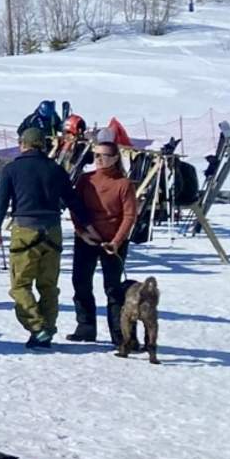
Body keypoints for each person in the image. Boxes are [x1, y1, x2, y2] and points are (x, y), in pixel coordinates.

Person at [0, 127, 89, 348]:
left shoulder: (11, 169)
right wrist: (87, 224)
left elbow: (1, 202)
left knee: (20, 285)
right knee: (48, 286)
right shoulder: (56, 169)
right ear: (43, 146)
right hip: (52, 231)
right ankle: (47, 331)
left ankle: (38, 328)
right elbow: (72, 200)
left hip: (25, 230)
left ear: (22, 144)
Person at [68, 137, 138, 343]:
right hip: (86, 239)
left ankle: (119, 334)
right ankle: (85, 327)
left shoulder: (123, 184)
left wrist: (117, 241)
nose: (98, 159)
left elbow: (129, 215)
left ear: (115, 158)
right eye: (96, 155)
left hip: (112, 242)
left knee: (113, 288)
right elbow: (76, 208)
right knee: (81, 283)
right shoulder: (86, 180)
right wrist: (81, 232)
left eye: (103, 155)